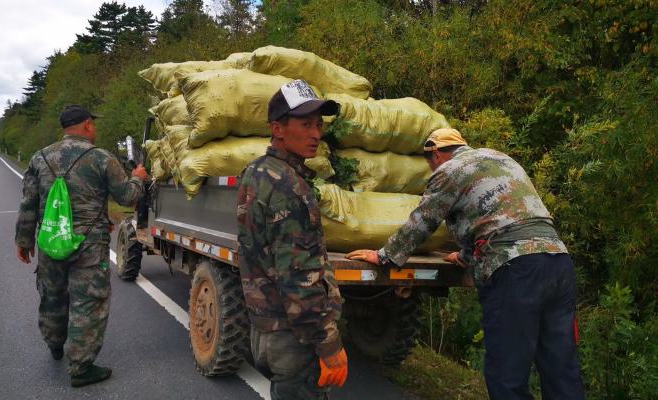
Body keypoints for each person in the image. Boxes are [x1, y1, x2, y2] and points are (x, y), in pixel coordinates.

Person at [347, 128, 585, 400]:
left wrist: (385, 256)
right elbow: (501, 216)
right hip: (557, 262)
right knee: (560, 366)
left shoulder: (450, 170)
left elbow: (423, 220)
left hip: (515, 271)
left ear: (435, 154)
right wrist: (464, 256)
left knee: (507, 375)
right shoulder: (500, 159)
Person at [15, 105, 147, 387]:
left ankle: (55, 344)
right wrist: (139, 177)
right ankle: (81, 367)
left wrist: (24, 241)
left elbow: (28, 203)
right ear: (87, 125)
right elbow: (126, 197)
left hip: (52, 239)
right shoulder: (101, 158)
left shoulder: (40, 158)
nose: (95, 129)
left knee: (52, 295)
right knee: (89, 302)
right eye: (94, 125)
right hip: (90, 243)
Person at [237, 80, 347, 399]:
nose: (316, 133)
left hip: (268, 327)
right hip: (294, 338)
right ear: (278, 129)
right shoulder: (288, 187)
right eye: (305, 124)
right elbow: (300, 278)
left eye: (318, 124)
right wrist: (328, 344)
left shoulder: (256, 171)